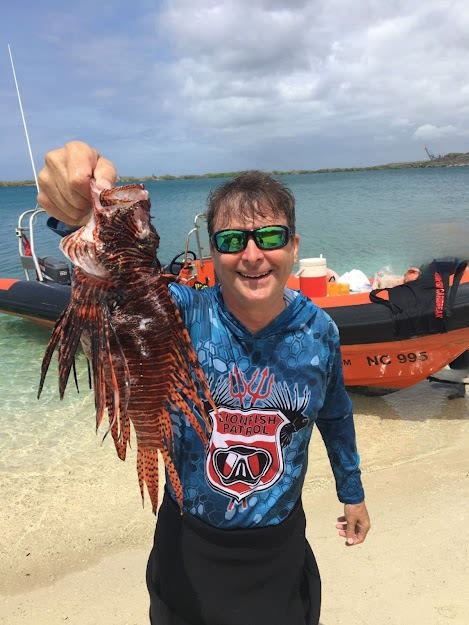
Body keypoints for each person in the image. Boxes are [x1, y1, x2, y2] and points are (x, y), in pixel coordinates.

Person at [38, 141, 370, 625]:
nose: (253, 255)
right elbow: (121, 278)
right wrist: (74, 212)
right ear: (214, 252)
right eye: (233, 241)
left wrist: (352, 491)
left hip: (276, 549)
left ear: (294, 246)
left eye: (270, 237)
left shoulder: (320, 332)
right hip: (188, 544)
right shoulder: (179, 312)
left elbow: (336, 416)